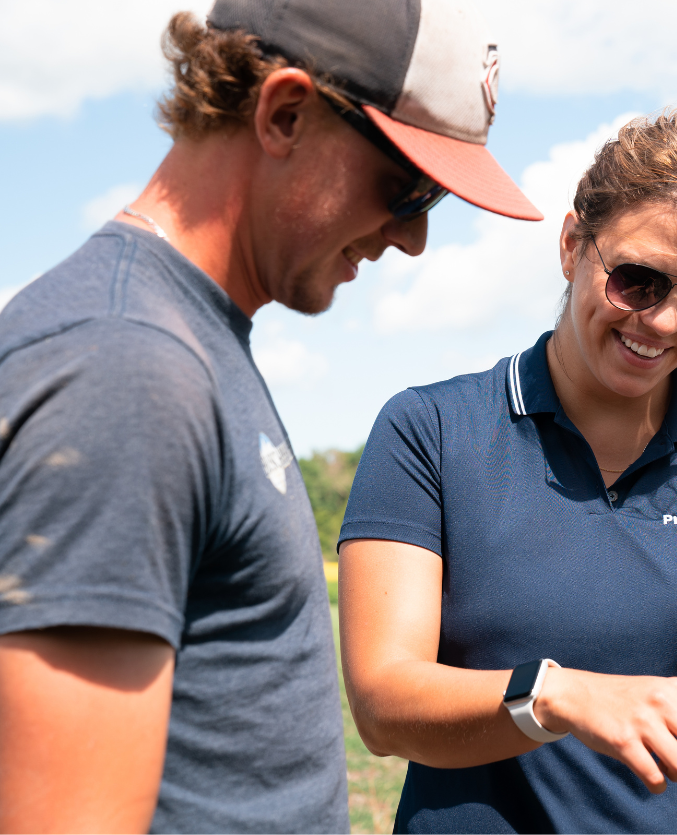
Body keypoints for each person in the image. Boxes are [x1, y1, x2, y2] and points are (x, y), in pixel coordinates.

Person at [0, 0, 541, 831]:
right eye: (409, 187)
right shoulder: (128, 366)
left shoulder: (187, 340)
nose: (414, 240)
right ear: (285, 113)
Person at [338, 109, 677, 834]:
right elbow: (383, 704)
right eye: (637, 281)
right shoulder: (430, 430)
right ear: (570, 247)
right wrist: (556, 697)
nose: (665, 322)